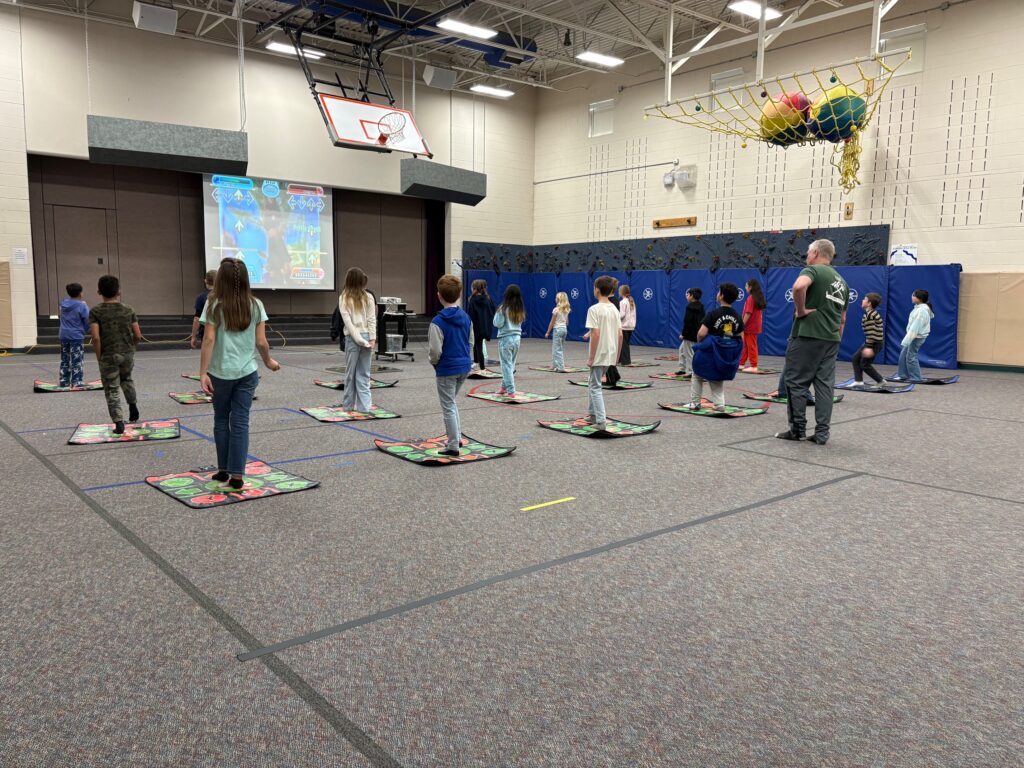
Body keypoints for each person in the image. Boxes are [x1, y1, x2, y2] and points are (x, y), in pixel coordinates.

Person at [199, 258, 280, 490]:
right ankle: (237, 475)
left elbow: (209, 339)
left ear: (220, 281)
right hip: (247, 373)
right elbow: (262, 342)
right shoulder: (256, 305)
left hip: (220, 374)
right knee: (241, 422)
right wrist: (269, 361)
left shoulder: (213, 304)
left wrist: (202, 373)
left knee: (222, 420)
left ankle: (224, 470)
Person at [776, 239, 848, 445]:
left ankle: (797, 430)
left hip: (808, 336)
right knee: (825, 386)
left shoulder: (813, 271)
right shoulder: (842, 282)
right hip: (831, 339)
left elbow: (799, 287)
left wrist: (801, 311)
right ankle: (822, 434)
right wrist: (835, 339)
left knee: (796, 382)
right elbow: (842, 319)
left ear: (815, 252)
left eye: (808, 252)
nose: (806, 256)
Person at [89, 275, 142, 434]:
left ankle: (119, 422)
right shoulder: (128, 309)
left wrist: (99, 356)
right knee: (127, 379)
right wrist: (131, 349)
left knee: (111, 389)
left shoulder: (95, 311)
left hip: (109, 355)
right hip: (126, 353)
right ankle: (133, 406)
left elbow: (96, 337)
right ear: (119, 291)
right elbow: (138, 335)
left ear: (99, 290)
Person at [428, 275, 473, 456]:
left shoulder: (437, 323)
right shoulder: (466, 318)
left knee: (447, 406)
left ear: (439, 296)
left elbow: (435, 351)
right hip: (464, 366)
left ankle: (453, 444)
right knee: (451, 403)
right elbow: (471, 342)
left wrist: (435, 363)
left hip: (447, 369)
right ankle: (457, 438)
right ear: (459, 294)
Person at [683, 283, 744, 411]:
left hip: (710, 351)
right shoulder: (737, 316)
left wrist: (701, 343)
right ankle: (720, 404)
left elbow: (701, 333)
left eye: (718, 292)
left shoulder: (713, 314)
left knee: (697, 373)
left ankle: (695, 403)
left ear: (721, 296)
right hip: (725, 353)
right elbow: (740, 337)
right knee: (717, 376)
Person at [585, 276, 622, 429]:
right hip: (610, 353)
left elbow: (595, 334)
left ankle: (600, 421)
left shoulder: (594, 309)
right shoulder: (614, 308)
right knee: (593, 382)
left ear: (597, 290)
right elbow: (620, 334)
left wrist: (591, 358)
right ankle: (592, 414)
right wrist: (617, 356)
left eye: (594, 288)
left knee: (595, 386)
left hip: (599, 354)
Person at [338, 267, 377, 412]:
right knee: (363, 374)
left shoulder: (344, 298)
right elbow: (372, 320)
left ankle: (349, 407)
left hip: (354, 339)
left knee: (351, 374)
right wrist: (371, 339)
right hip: (363, 338)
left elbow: (349, 324)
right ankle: (364, 407)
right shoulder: (368, 297)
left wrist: (367, 339)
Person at [892, 289, 933, 382]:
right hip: (913, 336)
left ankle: (916, 377)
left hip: (916, 337)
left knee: (911, 357)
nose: (912, 297)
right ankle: (903, 375)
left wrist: (906, 340)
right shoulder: (918, 308)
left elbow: (915, 327)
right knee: (903, 355)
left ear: (920, 298)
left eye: (913, 295)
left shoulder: (921, 310)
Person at [492, 284, 525, 396]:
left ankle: (511, 390)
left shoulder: (503, 308)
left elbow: (497, 323)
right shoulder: (519, 309)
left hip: (506, 339)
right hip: (517, 339)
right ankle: (504, 388)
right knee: (510, 364)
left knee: (506, 365)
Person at [58, 282, 90, 389]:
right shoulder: (82, 306)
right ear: (80, 293)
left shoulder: (62, 304)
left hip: (64, 335)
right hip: (76, 336)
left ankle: (64, 381)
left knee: (65, 359)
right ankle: (76, 382)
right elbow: (87, 320)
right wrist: (86, 330)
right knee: (77, 359)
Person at [850, 292, 885, 387]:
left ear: (869, 303)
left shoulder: (870, 315)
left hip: (874, 343)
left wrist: (869, 347)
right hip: (872, 342)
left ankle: (881, 381)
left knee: (864, 364)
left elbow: (872, 332)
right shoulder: (870, 313)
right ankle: (858, 381)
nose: (862, 300)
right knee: (855, 359)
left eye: (864, 299)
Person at [466, 280, 496, 372]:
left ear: (474, 288)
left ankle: (482, 366)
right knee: (477, 344)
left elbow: (470, 314)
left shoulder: (473, 300)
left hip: (476, 326)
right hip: (485, 325)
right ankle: (476, 361)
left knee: (478, 345)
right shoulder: (488, 298)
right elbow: (493, 311)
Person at [740, 278, 767, 373]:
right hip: (753, 325)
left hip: (750, 326)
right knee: (746, 346)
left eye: (746, 286)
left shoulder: (751, 298)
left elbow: (748, 313)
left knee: (751, 345)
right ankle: (741, 363)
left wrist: (742, 325)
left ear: (750, 287)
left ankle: (754, 365)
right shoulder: (755, 298)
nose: (745, 288)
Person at [676, 288, 704, 376]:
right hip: (697, 333)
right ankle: (682, 369)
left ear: (691, 296)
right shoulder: (701, 307)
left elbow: (687, 322)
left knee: (689, 354)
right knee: (682, 350)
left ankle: (692, 372)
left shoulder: (690, 307)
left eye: (688, 295)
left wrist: (683, 334)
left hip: (690, 335)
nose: (687, 296)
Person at [544, 291, 571, 371]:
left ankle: (561, 367)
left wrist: (548, 332)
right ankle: (554, 365)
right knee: (557, 348)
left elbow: (552, 322)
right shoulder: (567, 310)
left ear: (559, 300)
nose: (555, 299)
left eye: (556, 298)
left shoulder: (556, 310)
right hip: (564, 330)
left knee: (557, 349)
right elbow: (567, 322)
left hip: (557, 330)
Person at [190, 270, 217, 350]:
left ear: (205, 280)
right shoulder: (225, 296)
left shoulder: (201, 298)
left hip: (206, 332)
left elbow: (197, 318)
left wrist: (193, 336)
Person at [618, 285, 636, 365]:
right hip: (631, 326)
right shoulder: (631, 301)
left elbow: (621, 315)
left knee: (623, 344)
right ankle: (622, 360)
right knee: (625, 344)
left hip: (624, 326)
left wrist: (615, 317)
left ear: (621, 292)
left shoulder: (623, 302)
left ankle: (625, 361)